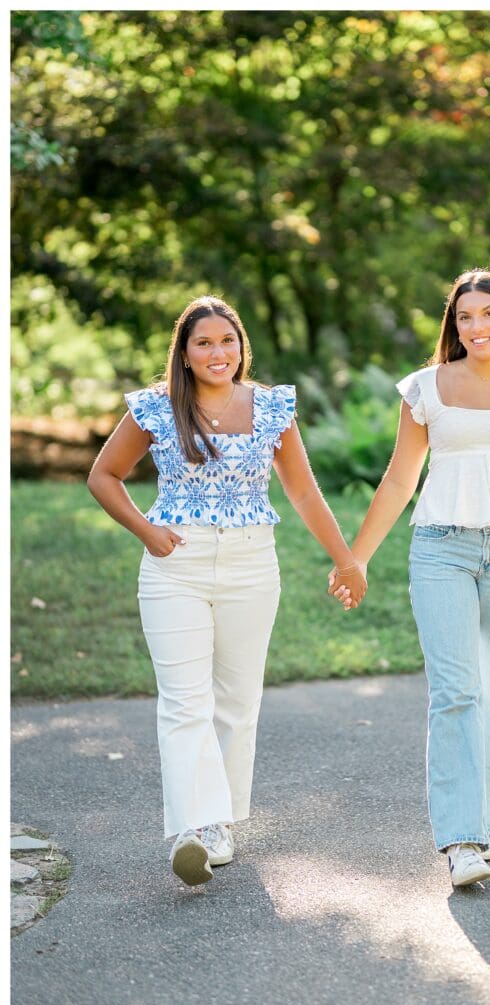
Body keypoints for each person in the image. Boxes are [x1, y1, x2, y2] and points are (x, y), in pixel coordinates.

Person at [88, 294, 366, 886]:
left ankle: (220, 827)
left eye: (228, 341)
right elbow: (102, 476)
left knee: (238, 702)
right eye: (204, 343)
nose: (219, 353)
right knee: (185, 701)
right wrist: (148, 531)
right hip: (175, 563)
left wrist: (347, 561)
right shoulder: (157, 409)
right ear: (184, 355)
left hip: (251, 563)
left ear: (242, 346)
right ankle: (193, 826)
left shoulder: (271, 408)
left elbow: (305, 492)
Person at [329, 268, 490, 887]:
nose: (476, 327)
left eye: (488, 315)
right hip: (441, 547)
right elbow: (399, 479)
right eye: (464, 317)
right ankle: (460, 838)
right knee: (455, 691)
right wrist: (357, 557)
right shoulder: (427, 388)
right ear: (454, 325)